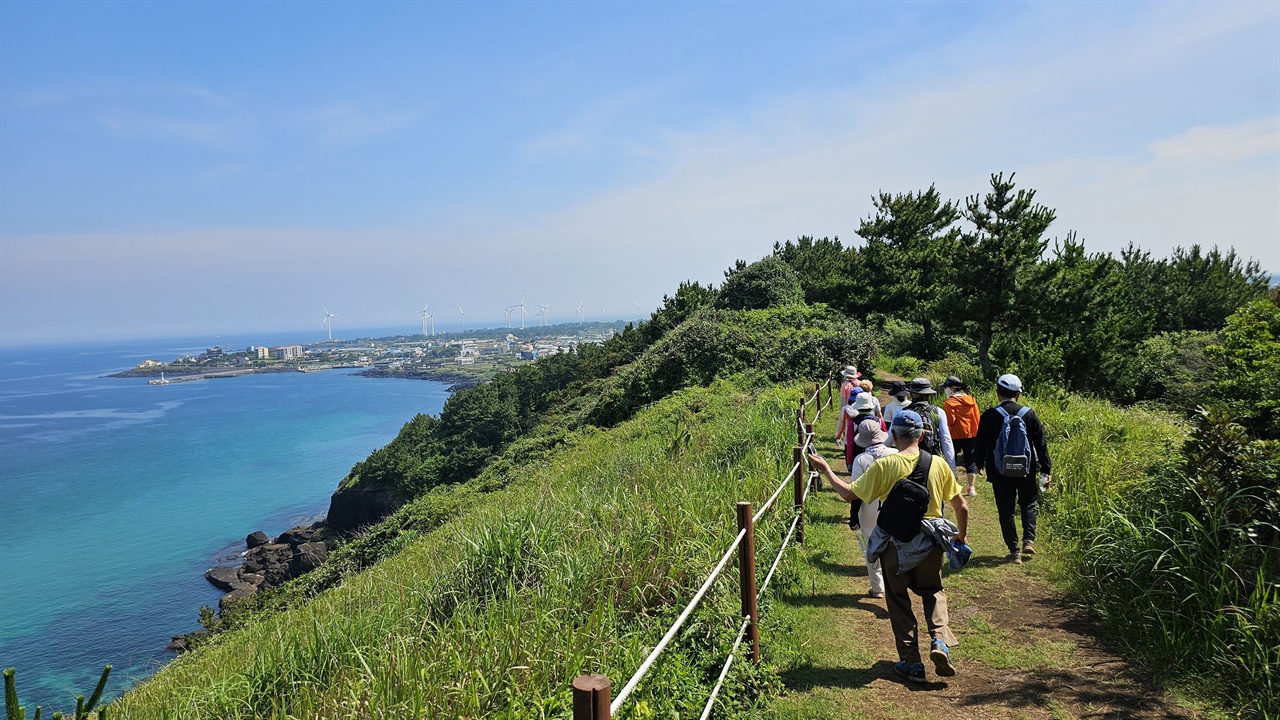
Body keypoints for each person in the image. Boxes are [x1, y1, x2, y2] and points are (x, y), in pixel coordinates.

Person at [810, 410, 969, 682]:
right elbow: (961, 506)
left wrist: (825, 469)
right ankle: (940, 641)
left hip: (896, 543)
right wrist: (960, 537)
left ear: (893, 435)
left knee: (897, 600)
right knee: (933, 591)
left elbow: (849, 494)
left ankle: (912, 664)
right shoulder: (939, 464)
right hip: (931, 542)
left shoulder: (885, 466)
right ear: (921, 434)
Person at [973, 373, 1052, 565]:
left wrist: (979, 463)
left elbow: (981, 442)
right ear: (1018, 394)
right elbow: (1041, 445)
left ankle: (1014, 551)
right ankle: (1029, 540)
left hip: (1000, 471)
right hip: (1026, 469)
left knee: (1006, 510)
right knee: (1029, 503)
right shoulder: (1029, 414)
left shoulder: (990, 414)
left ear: (997, 392)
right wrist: (1046, 470)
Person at [844, 418, 899, 597]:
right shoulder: (895, 454)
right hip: (893, 504)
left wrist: (853, 517)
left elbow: (856, 492)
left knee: (871, 544)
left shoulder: (861, 460)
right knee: (893, 542)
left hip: (869, 506)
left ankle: (878, 587)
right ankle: (895, 580)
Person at [941, 376, 981, 497]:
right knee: (970, 461)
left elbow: (950, 420)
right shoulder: (971, 400)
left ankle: (950, 485)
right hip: (971, 435)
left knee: (950, 459)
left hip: (955, 435)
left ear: (952, 388)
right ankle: (971, 488)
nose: (945, 390)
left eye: (946, 388)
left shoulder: (949, 403)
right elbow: (977, 418)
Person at [905, 378, 956, 469]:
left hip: (908, 460)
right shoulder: (938, 412)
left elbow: (891, 438)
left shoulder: (902, 412)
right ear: (928, 394)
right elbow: (946, 439)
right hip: (932, 460)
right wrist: (952, 467)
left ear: (911, 393)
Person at [839, 392, 877, 467]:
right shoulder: (878, 421)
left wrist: (849, 461)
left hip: (858, 457)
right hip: (875, 456)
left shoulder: (852, 422)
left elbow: (850, 443)